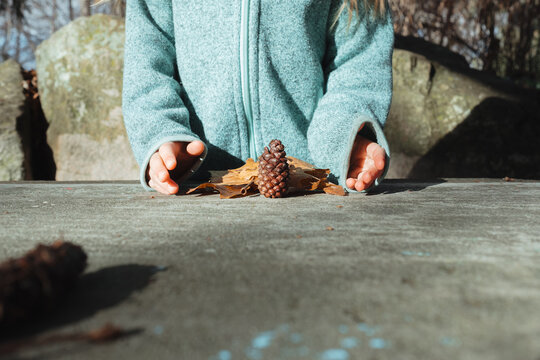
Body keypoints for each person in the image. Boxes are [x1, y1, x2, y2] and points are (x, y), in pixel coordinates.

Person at [121, 0, 393, 195]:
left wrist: (343, 136)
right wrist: (165, 135)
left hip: (309, 191)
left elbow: (358, 63)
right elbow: (146, 68)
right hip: (198, 188)